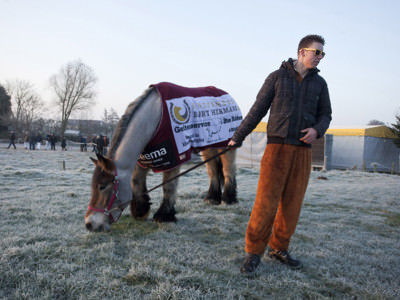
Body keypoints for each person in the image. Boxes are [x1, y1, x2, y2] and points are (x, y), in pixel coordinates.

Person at [228, 34, 332, 275]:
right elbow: (257, 111)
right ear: (301, 52)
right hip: (277, 150)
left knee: (292, 205)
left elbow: (326, 114)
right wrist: (238, 136)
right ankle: (254, 252)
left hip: (303, 153)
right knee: (265, 202)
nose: (319, 58)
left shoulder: (320, 84)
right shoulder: (276, 78)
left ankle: (279, 248)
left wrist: (318, 130)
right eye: (316, 52)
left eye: (322, 54)